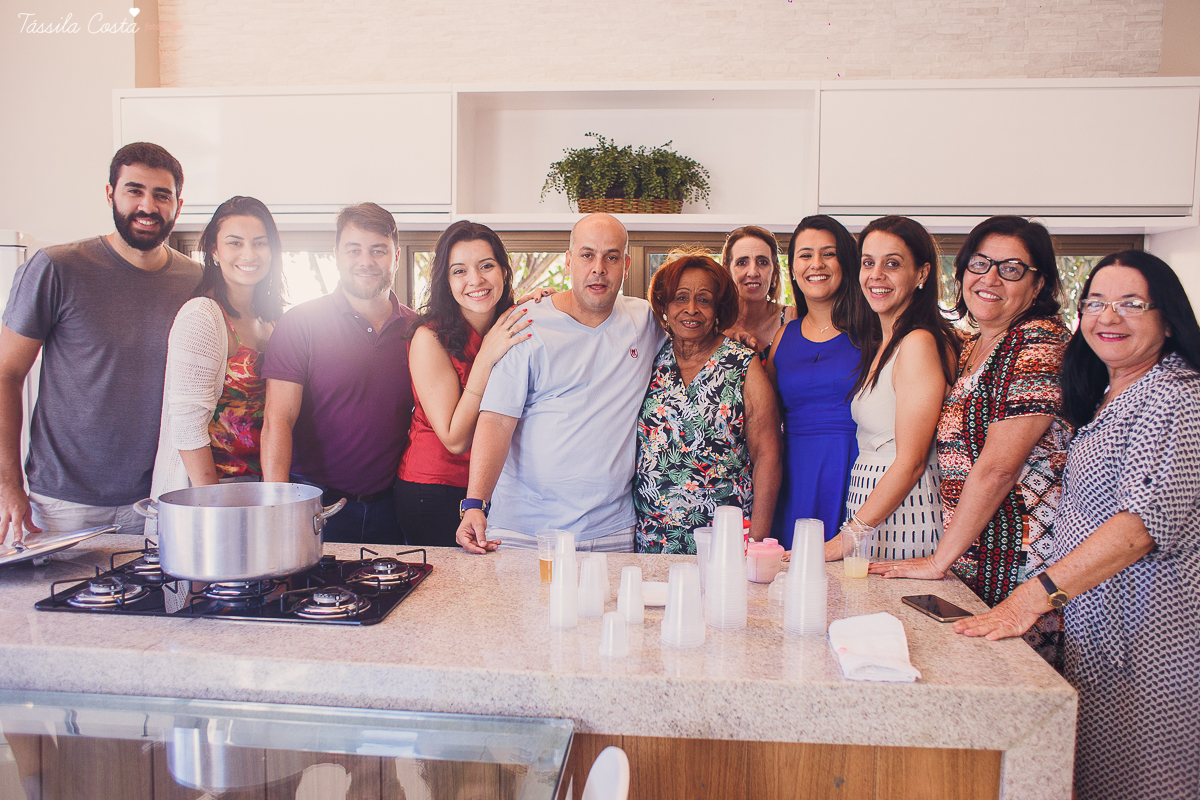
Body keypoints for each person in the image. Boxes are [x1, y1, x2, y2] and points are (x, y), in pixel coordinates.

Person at [955, 251, 1200, 800]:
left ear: (1168, 319)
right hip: (1104, 628)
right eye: (1096, 303)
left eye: (1131, 304)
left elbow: (1139, 526)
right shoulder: (1115, 390)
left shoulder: (1176, 395)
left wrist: (1030, 598)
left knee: (1147, 781)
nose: (1109, 317)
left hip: (1155, 637)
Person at [870, 216, 1071, 667]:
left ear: (1039, 284)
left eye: (1011, 269)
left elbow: (999, 468)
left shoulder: (1039, 343)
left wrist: (937, 560)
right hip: (975, 550)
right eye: (980, 264)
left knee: (1014, 681)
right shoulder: (972, 344)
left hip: (1023, 556)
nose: (990, 278)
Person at [0, 142, 201, 543]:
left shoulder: (196, 281)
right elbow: (6, 373)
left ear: (178, 206)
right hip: (63, 505)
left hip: (160, 498)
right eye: (134, 190)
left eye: (162, 195)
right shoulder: (57, 267)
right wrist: (8, 484)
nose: (147, 206)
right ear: (110, 194)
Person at [455, 213, 665, 554]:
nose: (598, 268)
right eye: (587, 255)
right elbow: (496, 420)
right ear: (568, 262)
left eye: (611, 257)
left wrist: (737, 334)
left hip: (612, 531)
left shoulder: (644, 320)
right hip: (524, 530)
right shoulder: (524, 323)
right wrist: (475, 503)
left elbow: (695, 340)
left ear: (626, 265)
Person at [261, 203, 416, 545]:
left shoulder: (417, 330)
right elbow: (277, 421)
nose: (366, 261)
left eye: (378, 250)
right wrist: (276, 508)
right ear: (336, 255)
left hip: (392, 508)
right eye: (354, 250)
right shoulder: (300, 323)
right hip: (315, 504)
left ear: (396, 257)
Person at [825, 216, 957, 562]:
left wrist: (846, 538)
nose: (876, 275)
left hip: (908, 512)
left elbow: (912, 461)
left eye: (893, 264)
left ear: (922, 273)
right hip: (874, 509)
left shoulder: (918, 343)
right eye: (868, 263)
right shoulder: (884, 343)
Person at [396, 221, 533, 547]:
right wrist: (485, 358)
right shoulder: (428, 337)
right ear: (446, 281)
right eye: (459, 271)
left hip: (495, 488)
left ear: (504, 271)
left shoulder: (509, 323)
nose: (476, 280)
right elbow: (454, 439)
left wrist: (548, 302)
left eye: (486, 266)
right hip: (434, 489)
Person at [633, 251, 781, 553]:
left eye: (704, 300)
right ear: (664, 306)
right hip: (652, 538)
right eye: (680, 298)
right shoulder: (649, 357)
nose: (691, 309)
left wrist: (756, 542)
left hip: (725, 542)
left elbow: (768, 456)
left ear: (718, 309)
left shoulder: (742, 364)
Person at [151, 197, 284, 500]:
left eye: (260, 243)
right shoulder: (202, 315)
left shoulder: (272, 318)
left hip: (260, 486)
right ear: (214, 250)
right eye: (235, 243)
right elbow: (186, 427)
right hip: (207, 489)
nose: (249, 254)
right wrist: (211, 503)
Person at [766, 215, 870, 548]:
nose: (817, 264)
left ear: (846, 263)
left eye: (829, 253)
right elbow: (767, 416)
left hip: (853, 466)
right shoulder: (783, 336)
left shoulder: (872, 332)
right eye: (806, 255)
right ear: (793, 268)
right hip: (794, 473)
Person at [721, 226, 797, 357]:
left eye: (763, 262)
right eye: (742, 263)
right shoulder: (712, 324)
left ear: (774, 273)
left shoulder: (794, 319)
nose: (753, 272)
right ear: (727, 272)